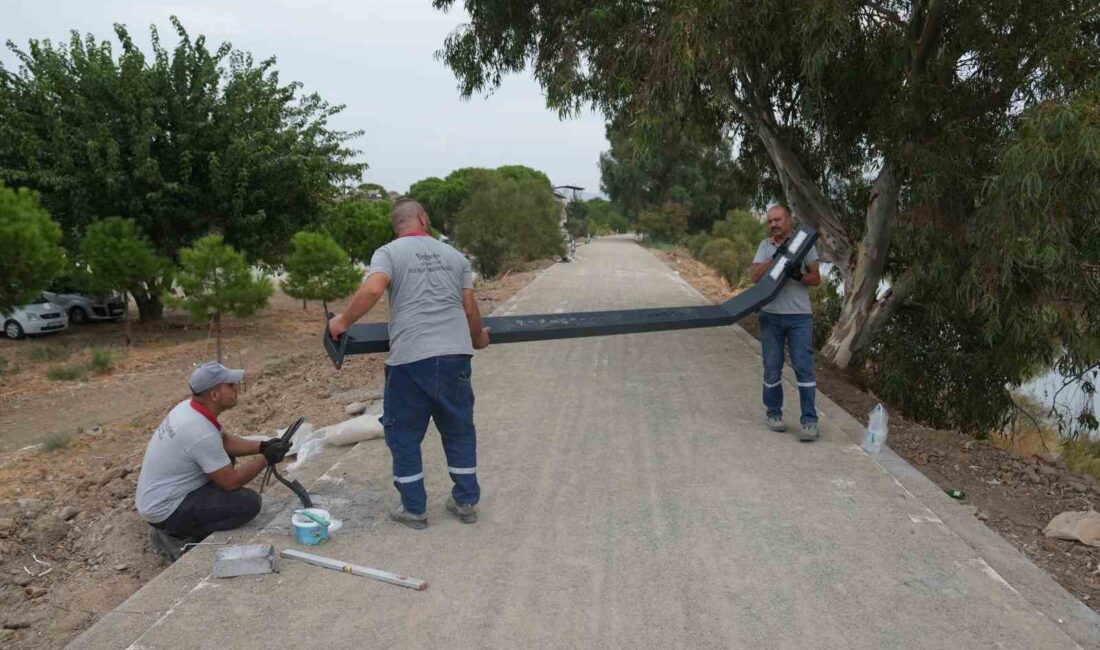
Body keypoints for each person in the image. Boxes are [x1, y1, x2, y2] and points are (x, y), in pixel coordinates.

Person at [328, 198, 490, 529]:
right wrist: (477, 339)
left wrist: (342, 322)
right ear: (422, 218)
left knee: (403, 434)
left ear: (397, 225)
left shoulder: (388, 253)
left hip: (411, 360)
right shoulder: (456, 256)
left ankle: (414, 509)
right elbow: (470, 310)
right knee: (459, 430)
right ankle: (466, 502)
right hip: (455, 358)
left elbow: (374, 289)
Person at [136, 362, 290, 561]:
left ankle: (175, 527)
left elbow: (225, 441)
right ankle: (176, 536)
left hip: (157, 498)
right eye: (230, 385)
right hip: (165, 510)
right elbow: (230, 481)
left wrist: (263, 446)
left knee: (224, 458)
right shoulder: (198, 430)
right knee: (247, 504)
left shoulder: (189, 409)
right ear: (215, 395)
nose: (236, 388)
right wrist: (266, 459)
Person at [749, 205, 822, 442]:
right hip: (770, 316)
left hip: (799, 317)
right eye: (770, 221)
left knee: (803, 368)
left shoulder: (804, 244)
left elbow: (816, 278)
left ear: (789, 220)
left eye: (777, 220)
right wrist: (775, 257)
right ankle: (773, 413)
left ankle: (809, 421)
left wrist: (798, 275)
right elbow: (755, 276)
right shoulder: (765, 246)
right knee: (772, 367)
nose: (773, 224)